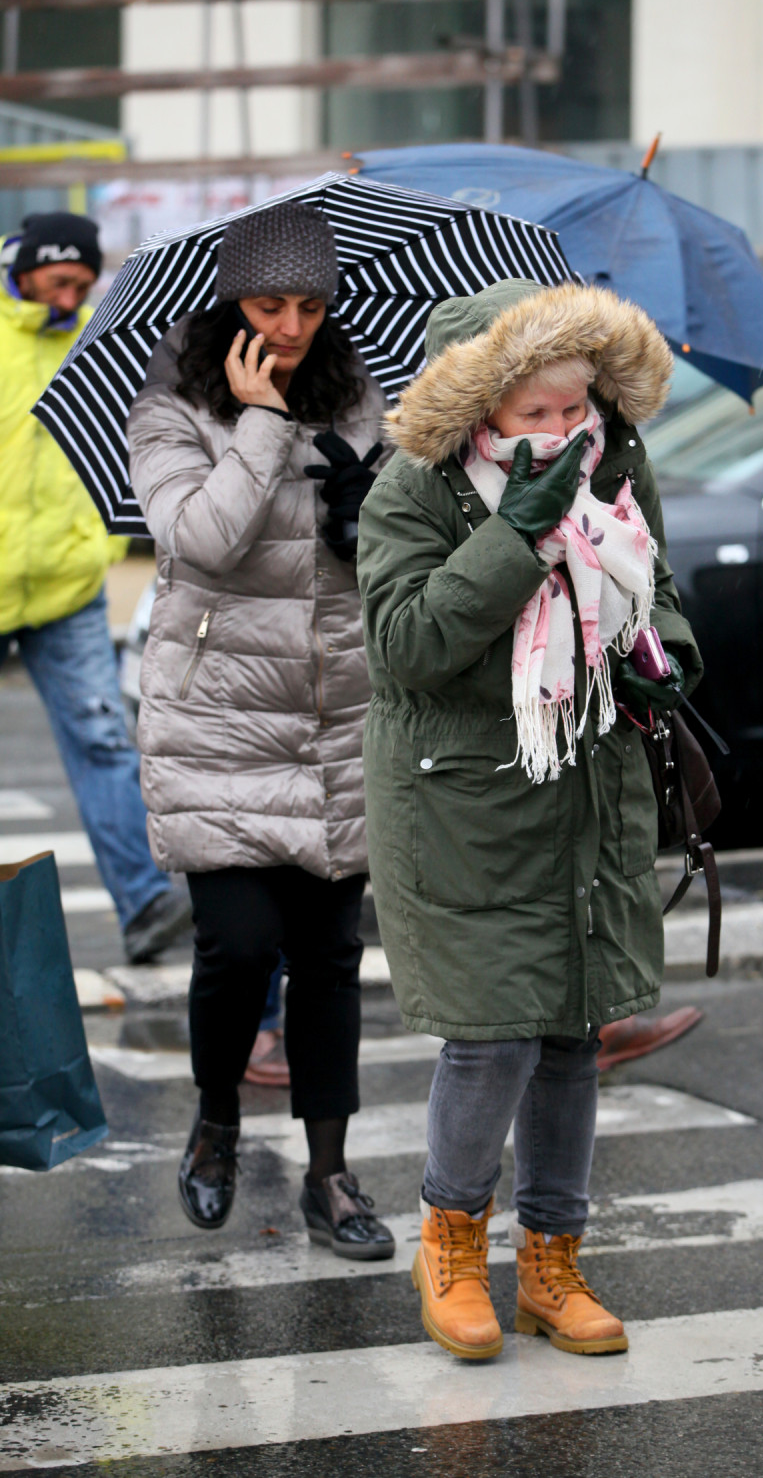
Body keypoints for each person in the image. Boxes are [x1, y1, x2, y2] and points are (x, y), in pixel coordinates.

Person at [357, 277, 704, 1359]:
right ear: (479, 412)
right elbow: (408, 647)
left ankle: (553, 1260)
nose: (561, 432)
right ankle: (451, 1244)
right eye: (535, 415)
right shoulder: (408, 493)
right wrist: (516, 534)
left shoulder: (613, 469)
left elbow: (659, 596)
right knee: (492, 1034)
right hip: (467, 798)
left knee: (571, 1030)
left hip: (587, 787)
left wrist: (665, 663)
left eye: (574, 409)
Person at [127, 202, 394, 1258]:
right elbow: (203, 542)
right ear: (226, 300)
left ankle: (330, 1175)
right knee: (238, 947)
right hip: (220, 718)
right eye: (267, 303)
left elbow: (381, 560)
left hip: (334, 713)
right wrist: (259, 421)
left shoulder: (359, 394)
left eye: (309, 305)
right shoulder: (169, 407)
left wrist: (366, 508)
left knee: (329, 956)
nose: (289, 327)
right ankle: (216, 1122)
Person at [0, 211, 190, 964]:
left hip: (66, 581)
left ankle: (144, 903)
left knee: (105, 740)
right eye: (61, 278)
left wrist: (100, 540)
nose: (73, 292)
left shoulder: (98, 343)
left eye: (83, 281)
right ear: (24, 266)